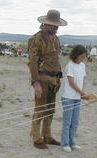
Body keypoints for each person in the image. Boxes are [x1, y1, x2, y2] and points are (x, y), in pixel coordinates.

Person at [28, 9, 68, 149]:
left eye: (57, 25)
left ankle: (47, 136)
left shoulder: (56, 39)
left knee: (50, 109)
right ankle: (37, 138)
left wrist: (58, 79)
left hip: (54, 80)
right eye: (53, 25)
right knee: (40, 109)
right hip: (42, 79)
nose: (56, 27)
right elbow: (32, 62)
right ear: (45, 24)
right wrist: (36, 82)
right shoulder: (36, 39)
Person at [61, 45, 89, 152]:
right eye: (81, 57)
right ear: (76, 55)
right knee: (67, 122)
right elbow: (71, 83)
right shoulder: (70, 65)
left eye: (84, 57)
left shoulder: (82, 66)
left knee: (75, 122)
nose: (82, 59)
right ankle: (65, 143)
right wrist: (82, 93)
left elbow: (81, 81)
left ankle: (72, 142)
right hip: (68, 97)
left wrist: (82, 94)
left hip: (77, 98)